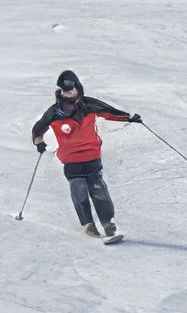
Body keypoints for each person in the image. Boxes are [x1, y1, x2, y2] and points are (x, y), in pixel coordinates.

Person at [30, 70, 143, 242]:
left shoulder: (88, 105)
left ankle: (109, 223)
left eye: (70, 90)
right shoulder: (54, 112)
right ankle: (88, 224)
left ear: (77, 89)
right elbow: (38, 128)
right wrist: (38, 142)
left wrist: (128, 118)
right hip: (71, 159)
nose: (66, 94)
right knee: (79, 190)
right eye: (63, 91)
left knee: (98, 189)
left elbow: (108, 111)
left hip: (91, 156)